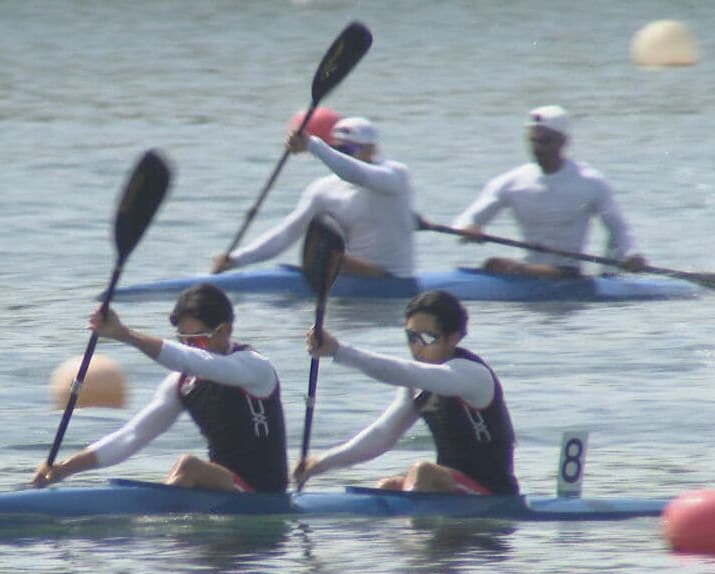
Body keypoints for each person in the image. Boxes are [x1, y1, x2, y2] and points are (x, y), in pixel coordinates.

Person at [32, 283, 289, 493]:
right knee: (186, 471)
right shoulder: (182, 384)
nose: (192, 348)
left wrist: (124, 334)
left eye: (198, 339)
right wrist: (63, 469)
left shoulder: (254, 367)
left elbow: (196, 362)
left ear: (225, 330)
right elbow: (132, 436)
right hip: (224, 486)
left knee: (187, 466)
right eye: (184, 341)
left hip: (264, 490)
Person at [294, 290, 519, 496]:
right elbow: (381, 436)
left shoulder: (471, 374)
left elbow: (407, 372)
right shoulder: (415, 385)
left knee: (422, 472)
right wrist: (319, 464)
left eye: (427, 339)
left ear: (454, 337)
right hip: (454, 487)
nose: (417, 347)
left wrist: (339, 351)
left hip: (493, 492)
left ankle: (415, 532)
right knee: (388, 486)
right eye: (411, 337)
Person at [453, 105, 648, 279]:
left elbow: (618, 228)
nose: (538, 148)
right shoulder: (510, 181)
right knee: (494, 264)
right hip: (522, 270)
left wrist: (631, 255)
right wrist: (468, 228)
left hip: (566, 273)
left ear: (564, 141)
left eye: (545, 141)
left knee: (496, 265)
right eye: (533, 140)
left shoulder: (590, 182)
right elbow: (467, 220)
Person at [212, 116, 415, 279]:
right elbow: (288, 233)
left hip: (392, 279)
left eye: (350, 150)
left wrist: (313, 145)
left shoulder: (395, 176)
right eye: (338, 149)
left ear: (373, 149)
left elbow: (357, 174)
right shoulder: (323, 188)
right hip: (344, 275)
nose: (343, 155)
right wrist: (236, 260)